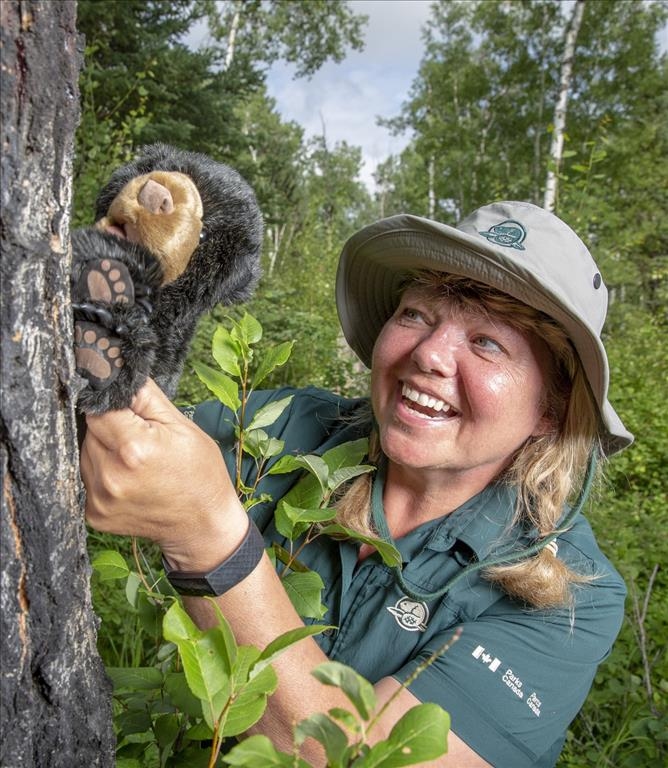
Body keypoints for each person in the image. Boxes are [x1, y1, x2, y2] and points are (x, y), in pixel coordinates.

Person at [82, 201, 632, 767]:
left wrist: (207, 539)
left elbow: (360, 759)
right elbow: (111, 443)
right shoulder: (295, 427)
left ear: (553, 409)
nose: (428, 354)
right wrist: (114, 301)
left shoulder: (570, 598)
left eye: (488, 342)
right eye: (417, 313)